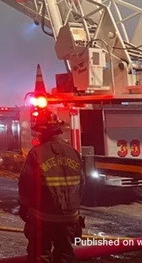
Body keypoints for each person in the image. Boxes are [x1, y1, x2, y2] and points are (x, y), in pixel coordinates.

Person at [18, 110, 85, 263]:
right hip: (70, 219)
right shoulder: (73, 152)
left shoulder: (36, 154)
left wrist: (24, 208)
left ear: (43, 132)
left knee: (40, 255)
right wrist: (73, 207)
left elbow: (25, 185)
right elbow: (81, 185)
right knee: (65, 254)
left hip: (43, 219)